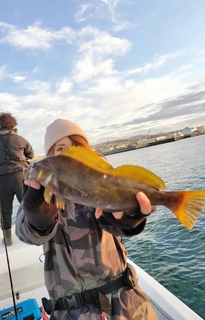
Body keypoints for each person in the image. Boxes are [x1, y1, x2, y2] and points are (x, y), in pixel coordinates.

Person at [15, 118, 158, 319]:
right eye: (61, 149)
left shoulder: (106, 181)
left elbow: (119, 225)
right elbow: (24, 233)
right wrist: (37, 218)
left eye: (78, 147)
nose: (72, 155)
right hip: (71, 312)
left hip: (125, 304)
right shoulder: (36, 196)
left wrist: (130, 219)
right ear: (50, 158)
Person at [0, 112, 34, 246]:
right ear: (13, 124)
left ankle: (7, 240)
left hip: (3, 179)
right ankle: (32, 232)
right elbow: (31, 154)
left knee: (5, 209)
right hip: (21, 177)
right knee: (27, 204)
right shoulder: (21, 139)